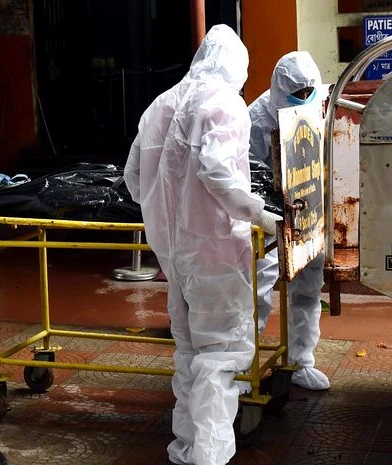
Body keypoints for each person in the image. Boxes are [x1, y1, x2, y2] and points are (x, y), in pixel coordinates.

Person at [124, 25, 281, 465]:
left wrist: (166, 212)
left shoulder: (160, 103)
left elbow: (133, 179)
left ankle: (187, 447)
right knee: (221, 355)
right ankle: (209, 456)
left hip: (173, 253)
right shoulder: (225, 104)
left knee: (189, 350)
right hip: (215, 251)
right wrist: (259, 214)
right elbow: (217, 172)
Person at [248, 51, 330, 391]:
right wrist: (264, 216)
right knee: (258, 288)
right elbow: (249, 175)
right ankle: (242, 367)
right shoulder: (257, 118)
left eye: (309, 91)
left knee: (309, 286)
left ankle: (301, 360)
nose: (305, 98)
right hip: (269, 215)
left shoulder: (322, 102)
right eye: (298, 94)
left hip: (308, 210)